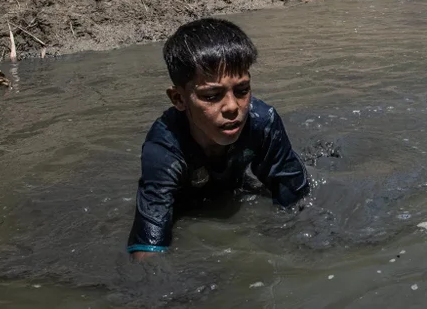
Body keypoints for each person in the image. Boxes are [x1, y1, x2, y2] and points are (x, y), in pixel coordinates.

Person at [127, 18, 309, 259]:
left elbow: (296, 196)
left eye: (242, 91)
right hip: (185, 206)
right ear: (179, 99)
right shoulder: (164, 148)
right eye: (212, 96)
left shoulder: (262, 122)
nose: (233, 107)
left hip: (233, 186)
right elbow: (147, 248)